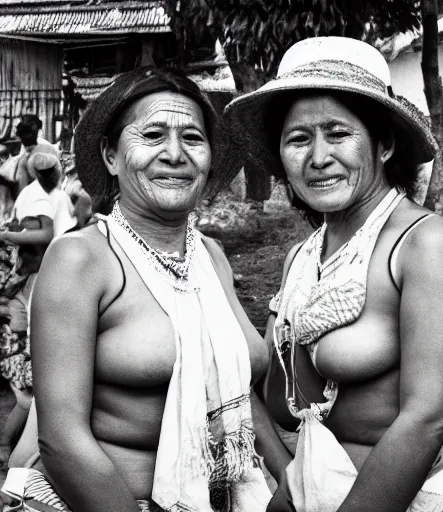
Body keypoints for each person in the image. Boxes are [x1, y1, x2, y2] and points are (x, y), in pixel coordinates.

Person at [225, 37, 443, 512]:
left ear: (384, 143)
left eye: (337, 132)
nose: (318, 157)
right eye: (298, 138)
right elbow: (272, 392)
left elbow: (427, 419)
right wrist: (290, 485)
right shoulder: (302, 259)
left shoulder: (422, 244)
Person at [1, 67, 272, 512]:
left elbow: (236, 392)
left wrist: (286, 487)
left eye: (193, 138)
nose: (174, 154)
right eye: (152, 135)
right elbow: (61, 440)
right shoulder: (81, 260)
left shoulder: (211, 258)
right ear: (111, 156)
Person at [0, 151, 76, 469]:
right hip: (16, 340)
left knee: (31, 400)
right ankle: (8, 450)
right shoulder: (22, 273)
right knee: (25, 399)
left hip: (23, 339)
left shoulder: (36, 271)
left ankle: (14, 453)